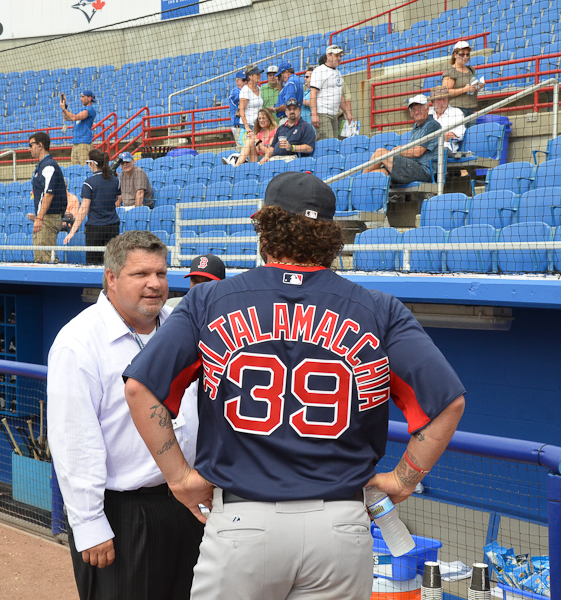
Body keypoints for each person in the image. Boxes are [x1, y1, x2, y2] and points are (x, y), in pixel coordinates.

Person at [123, 172, 466, 600]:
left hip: (241, 524)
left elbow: (140, 388)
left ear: (264, 225)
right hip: (339, 525)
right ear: (331, 235)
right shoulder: (378, 309)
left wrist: (179, 478)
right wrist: (403, 479)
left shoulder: (209, 301)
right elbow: (448, 402)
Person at [47, 230, 203, 600]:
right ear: (112, 278)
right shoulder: (79, 342)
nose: (154, 284)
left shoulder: (182, 327)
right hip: (125, 512)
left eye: (161, 274)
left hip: (188, 501)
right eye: (141, 274)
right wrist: (89, 524)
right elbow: (74, 440)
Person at [364, 95, 442, 185]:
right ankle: (361, 184)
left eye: (420, 108)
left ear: (427, 109)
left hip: (424, 171)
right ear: (410, 112)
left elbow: (417, 152)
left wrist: (398, 151)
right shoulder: (416, 127)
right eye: (413, 109)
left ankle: (357, 183)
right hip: (411, 168)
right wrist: (401, 148)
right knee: (376, 174)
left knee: (380, 153)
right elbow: (413, 149)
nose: (416, 112)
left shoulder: (432, 125)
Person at [64, 149, 121, 265]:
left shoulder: (89, 183)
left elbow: (84, 209)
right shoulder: (116, 181)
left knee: (93, 265)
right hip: (113, 228)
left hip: (95, 229)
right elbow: (118, 199)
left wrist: (72, 232)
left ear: (92, 164)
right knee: (112, 265)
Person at [26, 131, 68, 263]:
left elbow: (49, 194)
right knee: (39, 259)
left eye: (31, 145)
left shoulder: (49, 166)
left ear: (40, 145)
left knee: (47, 259)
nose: (29, 149)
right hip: (44, 218)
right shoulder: (42, 166)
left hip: (48, 218)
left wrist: (39, 217)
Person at [310, 45, 353, 141]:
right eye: (336, 55)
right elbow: (313, 93)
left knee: (335, 143)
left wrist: (348, 114)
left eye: (340, 56)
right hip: (323, 114)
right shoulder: (319, 71)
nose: (339, 58)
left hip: (334, 115)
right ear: (328, 56)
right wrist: (314, 114)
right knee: (328, 144)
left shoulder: (337, 72)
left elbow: (340, 96)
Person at [259, 98, 316, 164]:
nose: (292, 111)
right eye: (289, 109)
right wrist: (266, 156)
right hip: (276, 159)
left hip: (293, 160)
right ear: (286, 112)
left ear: (300, 111)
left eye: (294, 109)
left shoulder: (306, 126)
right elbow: (272, 147)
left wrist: (292, 147)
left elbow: (310, 148)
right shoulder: (281, 128)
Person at [442, 41, 483, 117]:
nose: (465, 57)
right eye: (462, 54)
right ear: (455, 55)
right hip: (456, 110)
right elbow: (445, 92)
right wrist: (464, 89)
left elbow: (472, 87)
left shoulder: (471, 69)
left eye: (467, 54)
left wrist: (477, 86)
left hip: (471, 108)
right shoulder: (451, 72)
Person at [61, 90, 98, 166]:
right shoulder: (81, 110)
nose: (81, 99)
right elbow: (66, 118)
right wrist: (64, 107)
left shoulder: (90, 109)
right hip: (76, 144)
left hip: (84, 144)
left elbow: (74, 117)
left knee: (86, 168)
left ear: (89, 98)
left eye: (83, 97)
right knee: (76, 169)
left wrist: (64, 109)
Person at [429, 86, 466, 153]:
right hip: (425, 149)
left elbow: (458, 135)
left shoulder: (456, 112)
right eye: (438, 99)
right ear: (432, 101)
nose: (441, 102)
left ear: (448, 100)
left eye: (444, 99)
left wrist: (430, 138)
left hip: (446, 149)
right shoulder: (427, 112)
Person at [237, 65, 264, 147]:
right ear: (250, 76)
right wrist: (247, 127)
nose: (260, 75)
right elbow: (241, 111)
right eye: (257, 74)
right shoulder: (245, 90)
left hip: (257, 126)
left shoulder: (259, 89)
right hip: (249, 126)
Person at [228, 71, 246, 150]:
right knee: (242, 151)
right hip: (239, 127)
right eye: (243, 80)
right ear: (237, 81)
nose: (245, 82)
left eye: (246, 80)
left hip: (248, 125)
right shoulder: (235, 92)